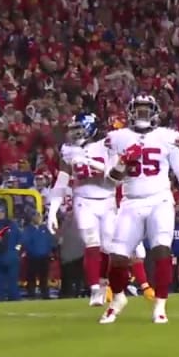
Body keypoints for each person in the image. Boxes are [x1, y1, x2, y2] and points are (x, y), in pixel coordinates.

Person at [99, 94, 179, 324]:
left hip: (160, 200)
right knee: (117, 257)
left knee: (161, 250)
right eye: (139, 110)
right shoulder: (118, 138)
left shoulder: (167, 137)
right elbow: (110, 180)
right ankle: (117, 299)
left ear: (155, 112)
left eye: (147, 110)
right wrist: (122, 163)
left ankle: (160, 305)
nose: (142, 114)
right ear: (130, 112)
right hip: (131, 201)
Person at [45, 112, 118, 306]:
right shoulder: (68, 151)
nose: (74, 133)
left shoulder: (106, 145)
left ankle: (103, 283)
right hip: (83, 200)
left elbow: (115, 172)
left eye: (78, 128)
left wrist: (90, 162)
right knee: (91, 243)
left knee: (108, 247)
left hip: (107, 199)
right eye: (73, 129)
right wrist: (52, 210)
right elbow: (61, 183)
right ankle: (94, 288)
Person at [0, 205, 22, 302]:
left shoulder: (12, 224)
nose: (0, 214)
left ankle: (14, 300)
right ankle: (0, 300)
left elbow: (20, 238)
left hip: (11, 257)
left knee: (12, 281)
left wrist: (17, 250)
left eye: (2, 212)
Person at [21, 212, 56, 299]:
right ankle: (31, 294)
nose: (38, 218)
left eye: (39, 217)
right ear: (32, 218)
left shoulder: (44, 229)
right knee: (31, 277)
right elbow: (25, 242)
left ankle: (45, 295)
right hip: (32, 258)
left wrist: (49, 251)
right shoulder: (28, 230)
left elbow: (50, 241)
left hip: (44, 257)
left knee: (44, 277)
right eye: (36, 217)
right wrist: (31, 251)